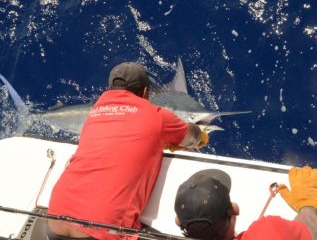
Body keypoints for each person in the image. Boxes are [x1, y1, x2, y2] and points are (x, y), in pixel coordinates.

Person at [47, 62, 209, 240]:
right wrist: (197, 132)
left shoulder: (94, 114)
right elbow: (191, 137)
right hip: (102, 230)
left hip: (54, 219)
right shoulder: (158, 116)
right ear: (146, 93)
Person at [174, 166, 317, 240]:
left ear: (178, 221)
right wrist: (306, 202)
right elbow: (310, 226)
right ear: (234, 209)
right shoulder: (268, 231)